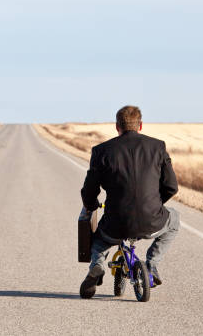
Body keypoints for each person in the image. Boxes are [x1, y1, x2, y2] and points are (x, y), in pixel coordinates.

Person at [79, 105, 179, 299]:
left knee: (99, 242)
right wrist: (156, 204)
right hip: (153, 221)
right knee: (174, 220)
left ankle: (97, 266)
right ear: (140, 125)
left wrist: (91, 206)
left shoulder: (101, 151)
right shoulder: (158, 147)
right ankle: (151, 265)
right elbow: (171, 187)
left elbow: (89, 191)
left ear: (117, 126)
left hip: (115, 225)